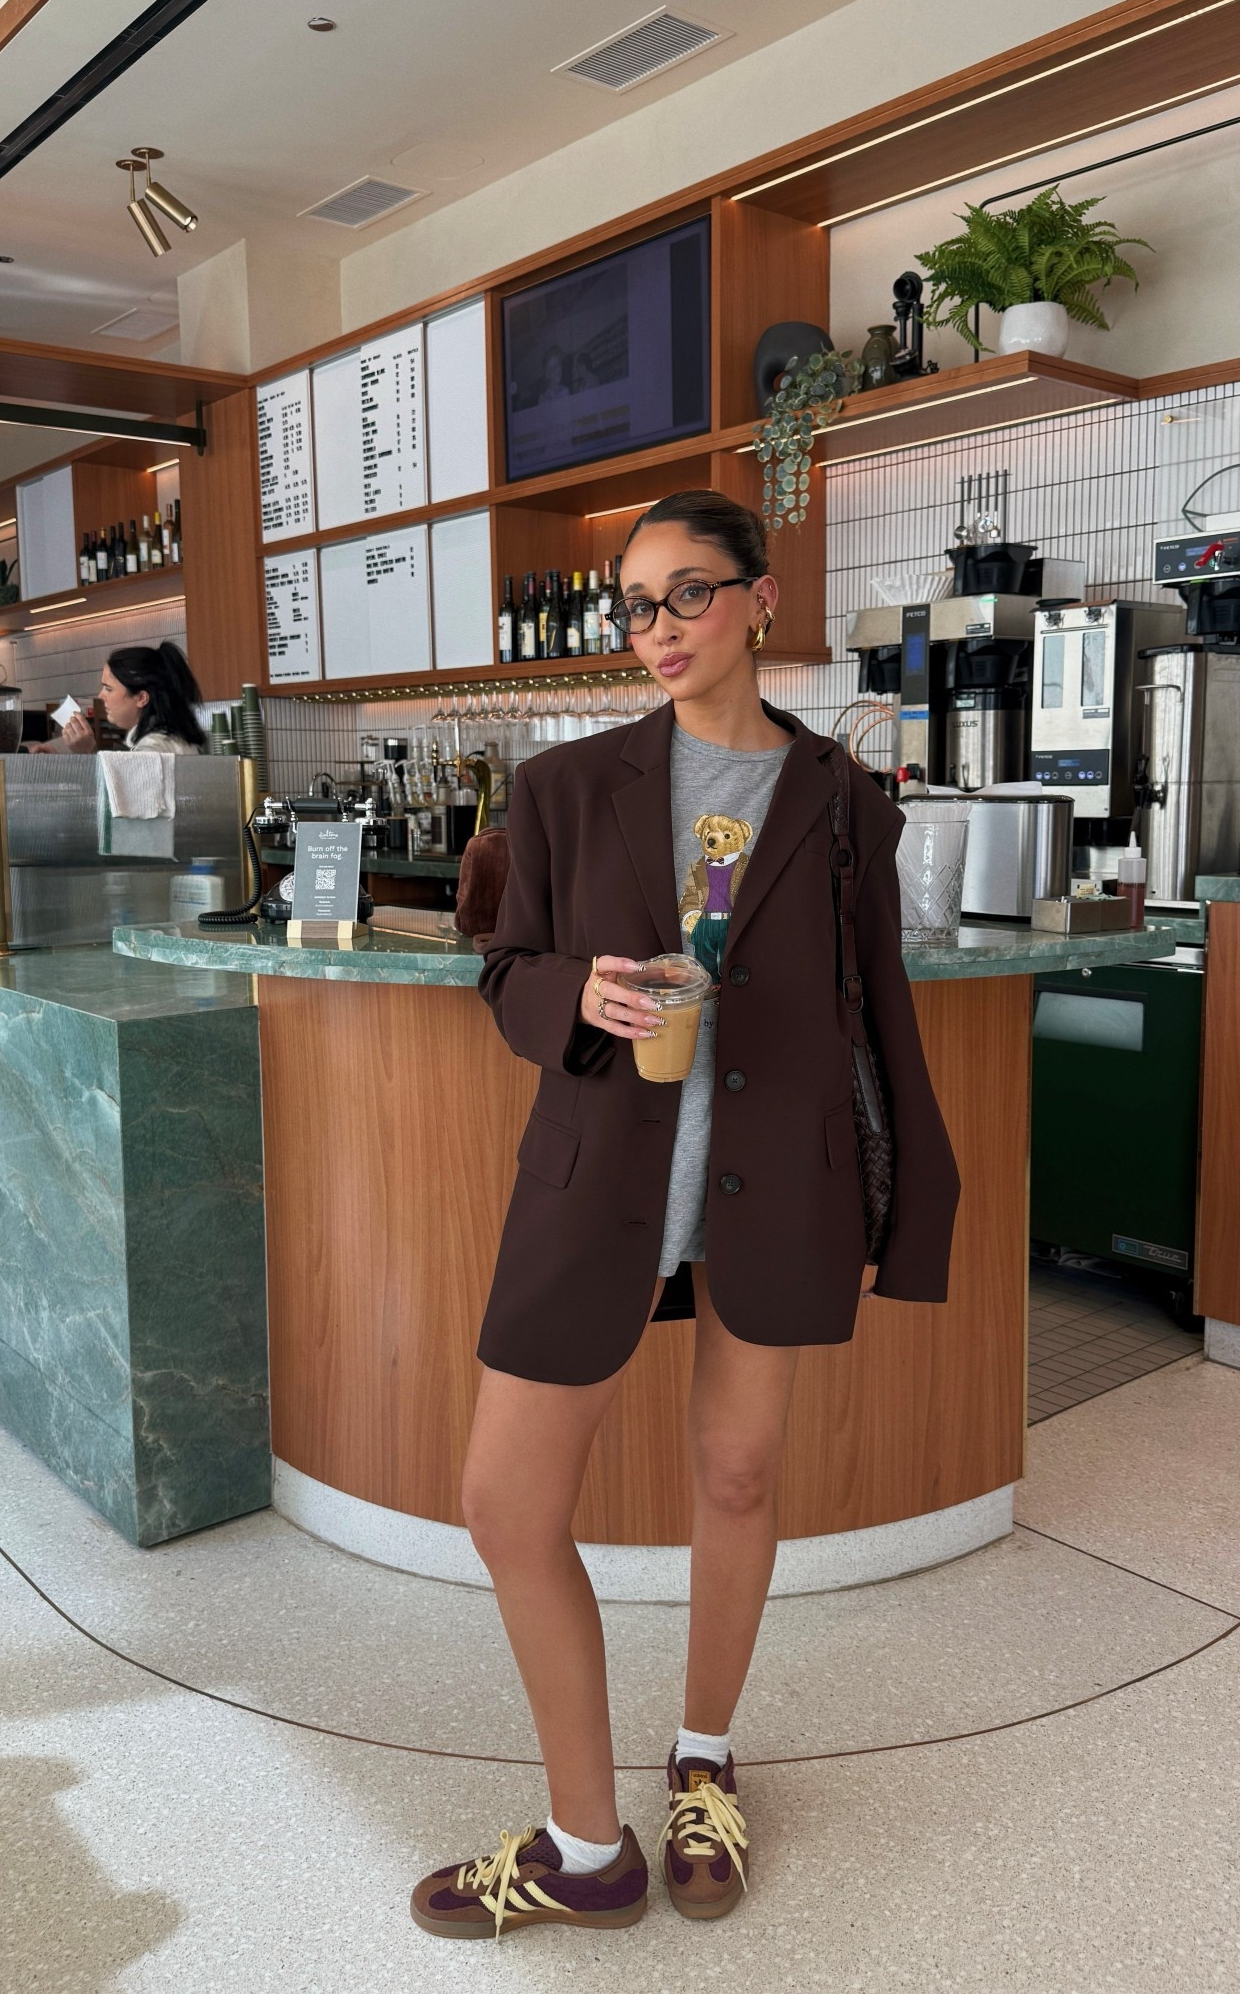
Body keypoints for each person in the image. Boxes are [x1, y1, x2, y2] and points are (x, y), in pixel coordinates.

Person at [409, 490, 960, 1941]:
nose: (655, 629)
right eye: (633, 605)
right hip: (597, 1180)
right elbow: (504, 964)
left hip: (772, 1181)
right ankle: (584, 1847)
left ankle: (702, 1759)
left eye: (687, 595)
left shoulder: (843, 801)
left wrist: (915, 1203)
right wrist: (571, 997)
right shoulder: (567, 786)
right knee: (504, 1503)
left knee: (735, 1480)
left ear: (761, 600)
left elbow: (875, 1011)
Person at [35, 643, 206, 755]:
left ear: (141, 698)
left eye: (108, 688)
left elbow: (120, 802)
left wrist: (88, 753)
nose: (100, 695)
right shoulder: (164, 739)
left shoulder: (152, 749)